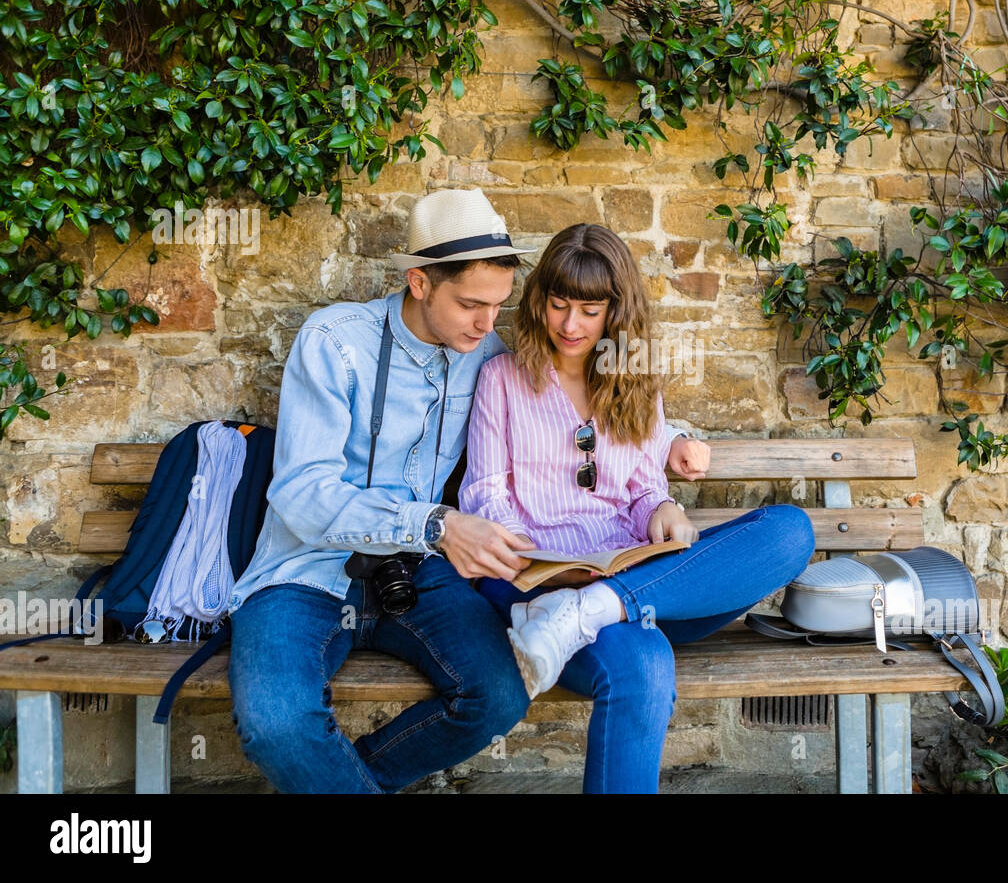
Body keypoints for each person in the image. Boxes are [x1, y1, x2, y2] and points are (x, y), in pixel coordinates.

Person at [226, 189, 709, 793]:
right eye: (472, 305)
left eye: (499, 305)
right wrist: (434, 524)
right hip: (308, 571)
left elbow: (593, 406)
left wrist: (674, 440)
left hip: (421, 574)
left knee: (499, 696)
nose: (488, 324)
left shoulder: (487, 355)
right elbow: (300, 492)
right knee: (275, 726)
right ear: (420, 281)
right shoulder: (334, 342)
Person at [460, 223, 816, 794]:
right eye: (558, 305)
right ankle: (585, 609)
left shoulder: (635, 385)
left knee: (791, 530)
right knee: (646, 665)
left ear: (615, 313)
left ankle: (596, 608)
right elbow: (486, 499)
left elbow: (644, 489)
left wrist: (664, 512)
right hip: (533, 586)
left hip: (626, 579)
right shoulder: (501, 379)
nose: (570, 325)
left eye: (589, 310)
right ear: (539, 302)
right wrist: (546, 569)